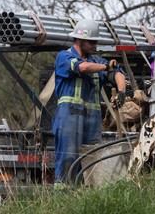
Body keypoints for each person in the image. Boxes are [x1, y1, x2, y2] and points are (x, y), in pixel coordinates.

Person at [52, 19, 126, 188]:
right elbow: (82, 68)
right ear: (79, 40)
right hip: (69, 117)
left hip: (92, 120)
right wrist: (106, 66)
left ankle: (88, 195)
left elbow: (117, 73)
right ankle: (63, 195)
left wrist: (121, 91)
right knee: (68, 158)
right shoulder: (64, 56)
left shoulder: (97, 61)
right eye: (91, 41)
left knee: (92, 158)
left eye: (95, 41)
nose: (94, 44)